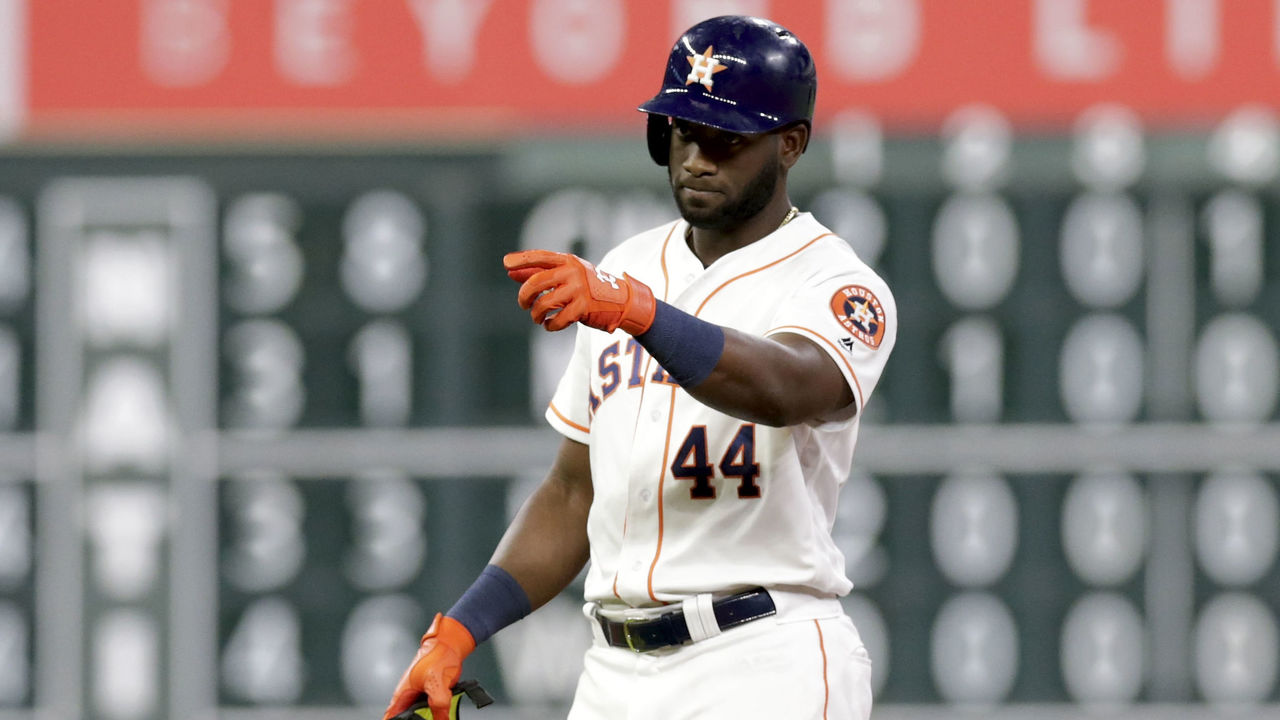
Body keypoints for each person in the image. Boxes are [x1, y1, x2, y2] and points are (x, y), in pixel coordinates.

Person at [383, 15, 896, 720]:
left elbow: (788, 387)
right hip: (614, 673)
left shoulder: (834, 283)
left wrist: (636, 312)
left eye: (727, 139)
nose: (697, 158)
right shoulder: (629, 267)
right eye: (684, 131)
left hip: (762, 658)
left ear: (790, 144)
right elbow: (571, 494)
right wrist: (459, 629)